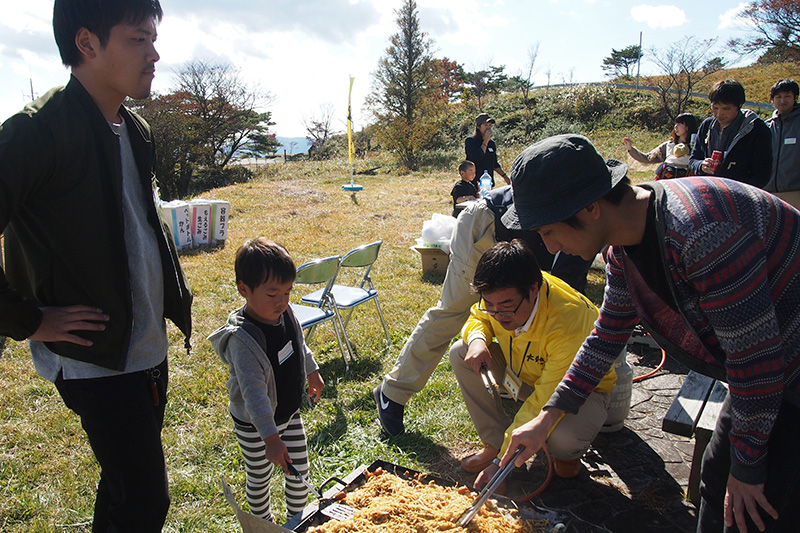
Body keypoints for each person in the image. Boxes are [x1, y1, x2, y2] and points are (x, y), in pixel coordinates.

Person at [500, 133, 800, 533]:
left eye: (550, 231)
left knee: (759, 507)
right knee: (718, 473)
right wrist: (546, 418)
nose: (551, 247)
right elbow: (607, 335)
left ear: (590, 208)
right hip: (763, 372)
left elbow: (757, 364)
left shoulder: (701, 234)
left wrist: (749, 468)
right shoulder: (624, 242)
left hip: (785, 371)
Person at [0, 1, 193, 530]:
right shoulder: (35, 133)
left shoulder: (135, 130)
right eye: (138, 39)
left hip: (143, 347)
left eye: (153, 38)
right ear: (86, 43)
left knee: (124, 488)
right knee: (145, 500)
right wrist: (27, 319)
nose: (154, 54)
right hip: (94, 357)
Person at [374, 183, 594, 437]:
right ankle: (393, 392)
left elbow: (565, 292)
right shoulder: (579, 206)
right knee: (452, 312)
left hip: (512, 234)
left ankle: (518, 383)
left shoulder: (586, 218)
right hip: (485, 224)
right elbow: (564, 281)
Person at [449, 239, 616, 483]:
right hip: (526, 373)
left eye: (506, 307)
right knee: (461, 351)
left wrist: (500, 465)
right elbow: (479, 317)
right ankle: (494, 444)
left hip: (579, 392)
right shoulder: (499, 298)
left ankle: (566, 455)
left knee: (564, 439)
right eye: (490, 305)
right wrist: (476, 339)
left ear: (533, 290)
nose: (497, 315)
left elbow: (546, 398)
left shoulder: (569, 323)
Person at [208, 238, 324, 522]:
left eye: (287, 292)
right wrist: (270, 439)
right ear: (243, 290)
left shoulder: (286, 313)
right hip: (256, 425)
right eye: (272, 294)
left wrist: (312, 370)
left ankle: (297, 520)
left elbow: (298, 344)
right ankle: (263, 525)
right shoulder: (244, 341)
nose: (282, 302)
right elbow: (254, 393)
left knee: (298, 471)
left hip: (288, 412)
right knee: (259, 478)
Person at [689, 79, 772, 187]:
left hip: (741, 195)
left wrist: (737, 192)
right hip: (710, 190)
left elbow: (762, 174)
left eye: (726, 108)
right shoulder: (707, 125)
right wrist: (701, 165)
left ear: (739, 105)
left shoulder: (757, 129)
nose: (719, 114)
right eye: (715, 108)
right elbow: (693, 160)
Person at [623, 113, 698, 180]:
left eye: (679, 124)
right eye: (675, 124)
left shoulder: (696, 146)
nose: (676, 127)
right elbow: (648, 158)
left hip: (685, 184)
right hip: (666, 183)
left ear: (687, 127)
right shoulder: (669, 145)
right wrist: (630, 149)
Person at [764, 78, 800, 210]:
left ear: (795, 98)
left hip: (795, 192)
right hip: (768, 194)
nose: (782, 101)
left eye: (787, 96)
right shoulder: (766, 127)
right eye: (778, 97)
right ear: (772, 100)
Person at [465, 113, 510, 188]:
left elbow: (494, 164)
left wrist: (505, 177)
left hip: (488, 183)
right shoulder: (471, 141)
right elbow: (478, 156)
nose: (488, 128)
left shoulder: (491, 143)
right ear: (478, 126)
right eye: (485, 125)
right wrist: (485, 140)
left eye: (490, 125)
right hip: (474, 183)